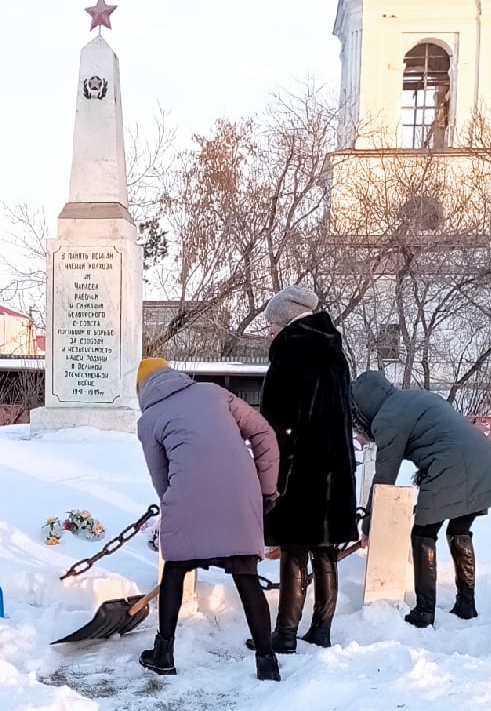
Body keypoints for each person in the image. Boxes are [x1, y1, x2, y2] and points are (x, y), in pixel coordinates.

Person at [136, 358, 281, 680]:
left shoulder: (149, 420)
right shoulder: (214, 393)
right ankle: (266, 660)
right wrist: (266, 490)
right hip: (240, 492)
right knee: (246, 577)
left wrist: (177, 505)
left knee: (174, 570)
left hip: (187, 495)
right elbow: (264, 434)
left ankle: (164, 653)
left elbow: (161, 477)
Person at [350, 370, 491, 627]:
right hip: (484, 457)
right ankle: (466, 604)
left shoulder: (388, 418)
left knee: (422, 533)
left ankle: (424, 611)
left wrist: (368, 524)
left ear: (363, 407)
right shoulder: (414, 397)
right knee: (459, 529)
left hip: (452, 464)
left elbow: (384, 478)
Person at [259, 286, 358, 651]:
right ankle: (322, 629)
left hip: (301, 468)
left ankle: (284, 634)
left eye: (271, 324)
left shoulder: (291, 352)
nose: (269, 331)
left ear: (285, 320)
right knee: (326, 548)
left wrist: (274, 476)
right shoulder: (334, 351)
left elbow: (279, 424)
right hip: (335, 466)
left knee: (295, 549)